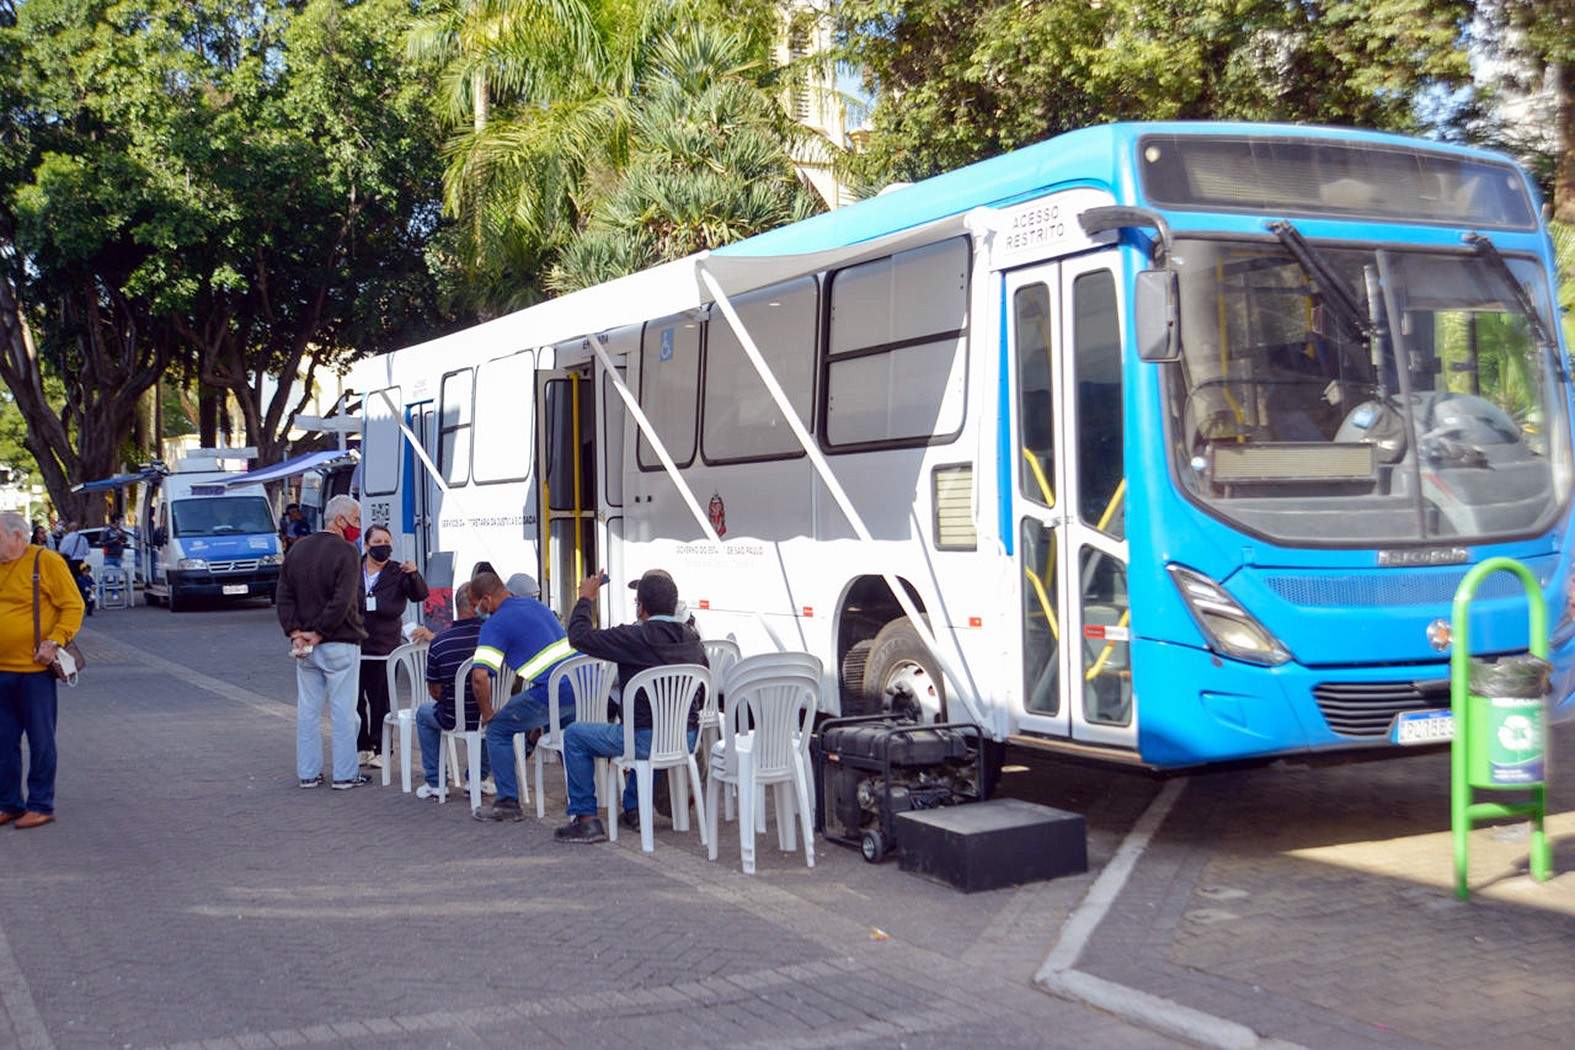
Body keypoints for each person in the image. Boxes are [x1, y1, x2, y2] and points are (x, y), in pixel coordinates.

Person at [554, 568, 707, 844]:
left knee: (575, 735)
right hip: (685, 738)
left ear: (641, 606)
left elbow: (579, 637)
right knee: (656, 728)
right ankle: (634, 808)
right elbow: (702, 691)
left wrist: (586, 599)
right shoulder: (693, 639)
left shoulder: (633, 637)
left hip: (643, 739)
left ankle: (586, 819)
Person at [275, 494, 368, 790]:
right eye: (355, 519)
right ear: (340, 520)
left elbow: (283, 595)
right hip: (340, 642)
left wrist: (296, 633)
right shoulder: (347, 552)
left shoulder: (298, 550)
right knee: (343, 711)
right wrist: (319, 632)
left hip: (304, 648)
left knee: (308, 710)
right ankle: (345, 774)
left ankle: (308, 773)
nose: (358, 526)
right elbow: (343, 600)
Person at [469, 570, 577, 822]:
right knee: (564, 733)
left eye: (477, 605)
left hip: (554, 691)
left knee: (497, 730)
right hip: (582, 686)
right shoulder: (536, 606)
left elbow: (479, 677)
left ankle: (507, 803)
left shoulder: (495, 624)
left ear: (486, 599)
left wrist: (487, 713)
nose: (477, 611)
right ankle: (580, 796)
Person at [0, 511, 84, 828]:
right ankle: (9, 803)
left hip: (34, 670)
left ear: (17, 536)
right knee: (3, 741)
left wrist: (54, 641)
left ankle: (40, 804)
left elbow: (73, 606)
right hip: (1, 670)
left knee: (40, 740)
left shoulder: (45, 561)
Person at [355, 525, 429, 769]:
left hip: (384, 646)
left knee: (381, 701)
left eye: (386, 541)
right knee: (355, 701)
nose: (383, 546)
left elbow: (419, 595)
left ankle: (381, 747)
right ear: (366, 545)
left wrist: (414, 575)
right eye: (377, 542)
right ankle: (361, 746)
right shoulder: (353, 569)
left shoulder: (398, 571)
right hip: (355, 644)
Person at [415, 582, 486, 799]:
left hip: (453, 716)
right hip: (488, 714)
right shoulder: (493, 638)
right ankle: (480, 778)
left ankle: (436, 782)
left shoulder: (440, 643)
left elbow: (435, 692)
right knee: (491, 714)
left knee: (423, 714)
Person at [56, 521, 93, 617]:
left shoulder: (67, 538)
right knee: (83, 583)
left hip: (71, 562)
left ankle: (73, 602)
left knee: (72, 583)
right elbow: (87, 551)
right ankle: (86, 601)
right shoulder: (83, 539)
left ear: (69, 528)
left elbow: (62, 550)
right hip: (81, 562)